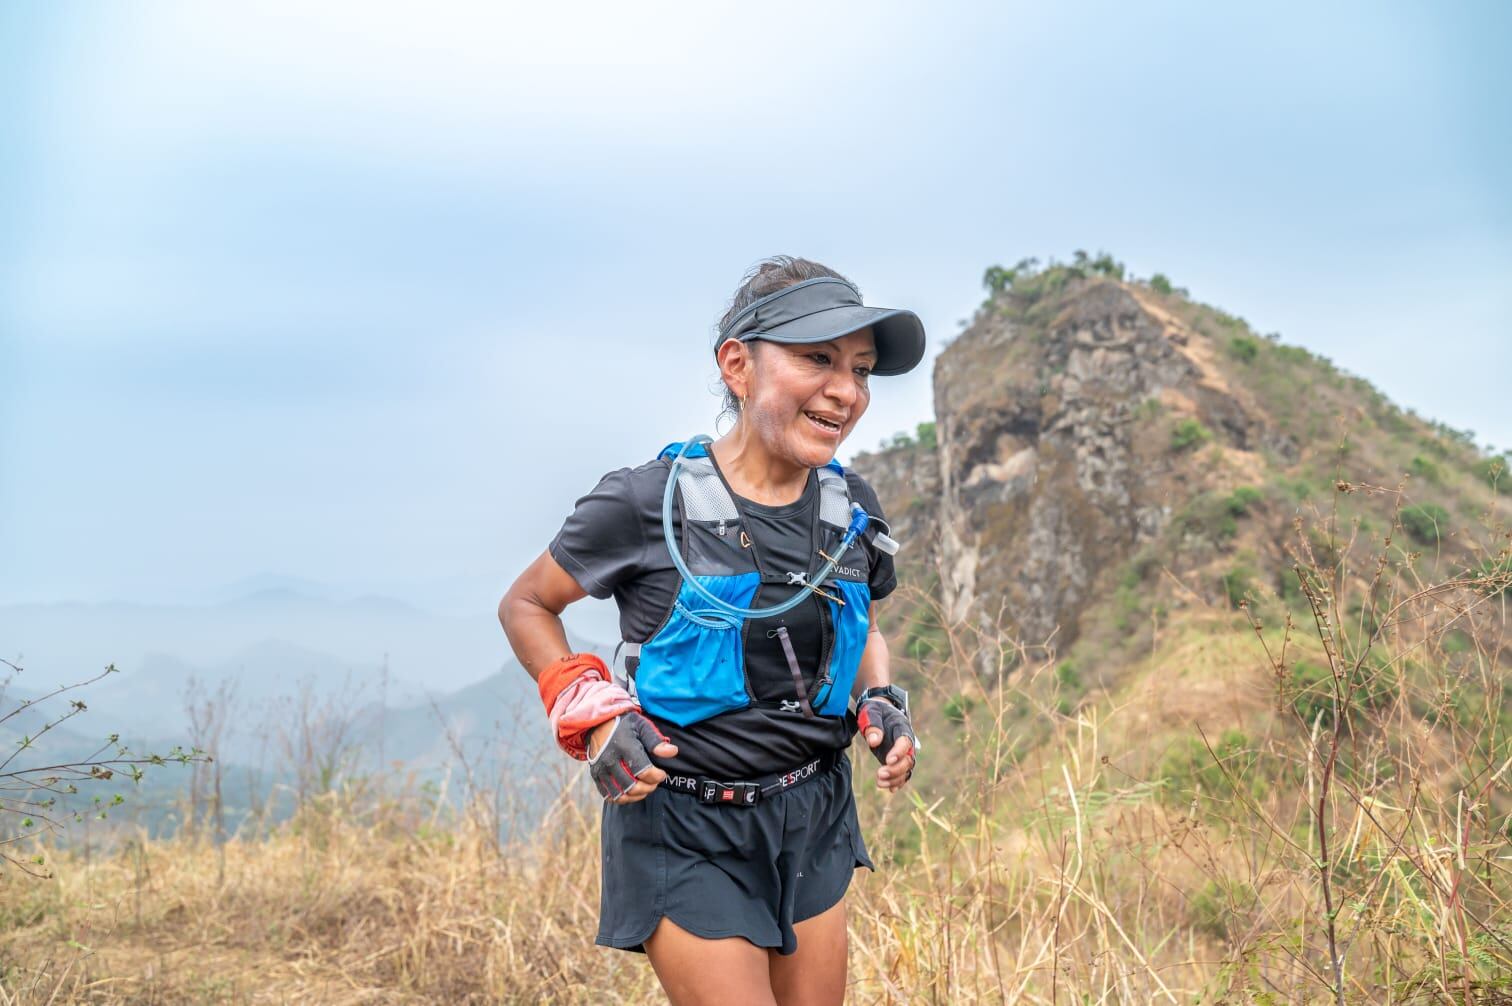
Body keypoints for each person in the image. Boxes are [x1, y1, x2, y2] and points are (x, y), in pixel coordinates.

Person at [499, 255, 924, 1006]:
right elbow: (528, 605)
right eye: (817, 359)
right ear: (737, 364)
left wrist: (880, 699)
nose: (846, 391)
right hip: (686, 825)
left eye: (860, 370)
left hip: (814, 816)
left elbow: (864, 629)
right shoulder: (645, 504)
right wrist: (592, 716)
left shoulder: (850, 505)